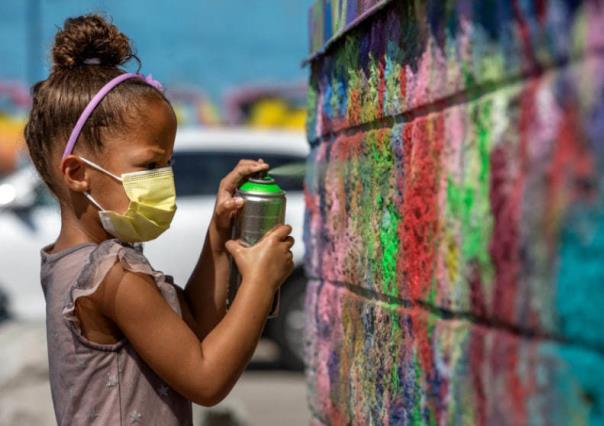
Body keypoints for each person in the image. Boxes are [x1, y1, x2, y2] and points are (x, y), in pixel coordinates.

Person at [24, 14, 294, 425]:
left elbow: (198, 329)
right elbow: (205, 380)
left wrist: (218, 237)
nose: (163, 178)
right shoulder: (112, 277)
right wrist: (260, 283)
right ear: (78, 174)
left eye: (166, 163)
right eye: (150, 164)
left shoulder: (81, 261)